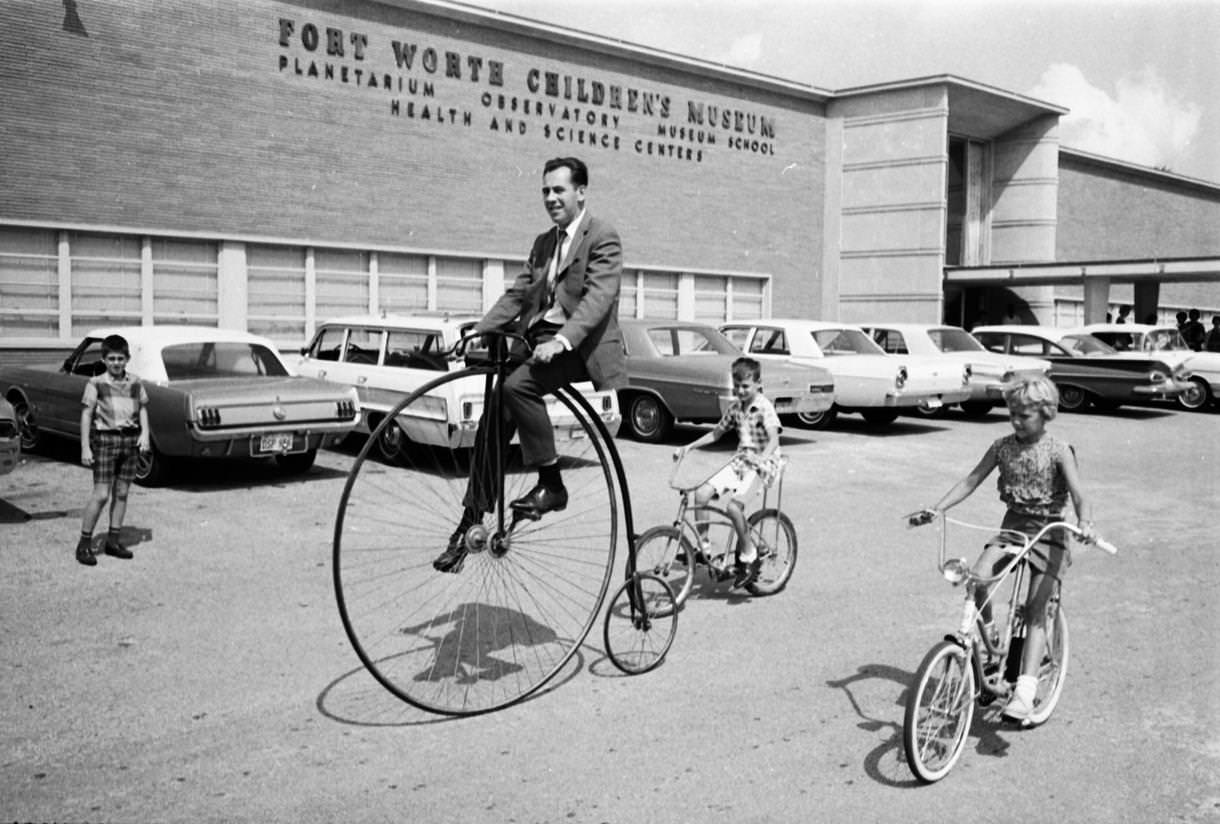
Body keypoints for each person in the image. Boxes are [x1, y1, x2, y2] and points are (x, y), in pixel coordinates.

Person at [432, 156, 627, 573]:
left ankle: (552, 485)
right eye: (545, 191)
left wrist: (561, 340)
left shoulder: (603, 236)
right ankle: (471, 522)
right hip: (538, 341)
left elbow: (598, 299)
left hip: (580, 346)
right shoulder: (543, 243)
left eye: (559, 190)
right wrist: (480, 330)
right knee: (494, 416)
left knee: (517, 387)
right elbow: (519, 296)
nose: (551, 198)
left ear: (581, 192)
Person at [915, 374, 1095, 723]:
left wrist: (1085, 523)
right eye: (1011, 413)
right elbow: (971, 480)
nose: (1015, 421)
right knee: (976, 578)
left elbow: (1080, 495)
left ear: (1045, 414)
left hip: (1051, 533)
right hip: (1013, 529)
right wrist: (937, 508)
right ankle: (993, 640)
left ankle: (1025, 692)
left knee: (1035, 609)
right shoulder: (1002, 447)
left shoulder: (1058, 450)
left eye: (1024, 416)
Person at [672, 356, 782, 588]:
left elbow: (774, 438)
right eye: (737, 386)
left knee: (733, 507)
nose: (740, 391)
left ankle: (749, 555)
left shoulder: (763, 406)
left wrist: (762, 457)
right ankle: (705, 549)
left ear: (758, 384)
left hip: (762, 465)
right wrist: (688, 446)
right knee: (701, 494)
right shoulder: (735, 408)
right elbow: (716, 433)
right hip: (740, 462)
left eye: (745, 386)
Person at [76, 334, 150, 566]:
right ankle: (84, 544)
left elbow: (144, 409)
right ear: (104, 359)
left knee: (122, 492)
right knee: (101, 495)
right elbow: (87, 414)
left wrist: (145, 435)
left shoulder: (136, 382)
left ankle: (113, 541)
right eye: (111, 358)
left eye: (120, 358)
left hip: (129, 441)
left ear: (127, 359)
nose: (116, 363)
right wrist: (85, 447)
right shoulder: (96, 383)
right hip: (106, 441)